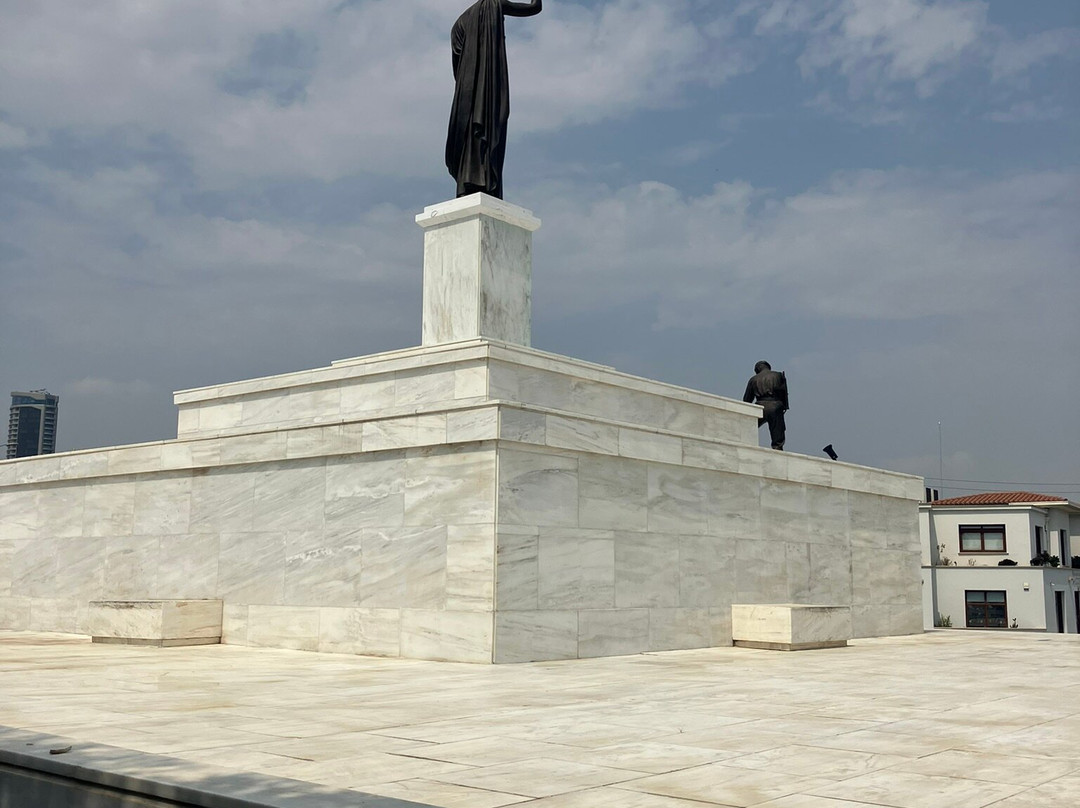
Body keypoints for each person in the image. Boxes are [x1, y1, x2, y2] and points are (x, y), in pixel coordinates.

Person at [445, 0, 543, 199]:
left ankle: (466, 183)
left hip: (465, 92)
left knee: (470, 135)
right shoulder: (494, 4)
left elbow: (456, 60)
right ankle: (486, 182)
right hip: (487, 90)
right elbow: (534, 7)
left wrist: (468, 80)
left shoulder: (459, 23)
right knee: (488, 130)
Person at [743, 361, 789, 450]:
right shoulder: (778, 375)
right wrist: (783, 406)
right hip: (775, 405)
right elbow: (783, 392)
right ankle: (777, 448)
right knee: (777, 430)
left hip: (759, 406)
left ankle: (746, 443)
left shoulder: (753, 379)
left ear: (757, 369)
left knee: (748, 427)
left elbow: (747, 399)